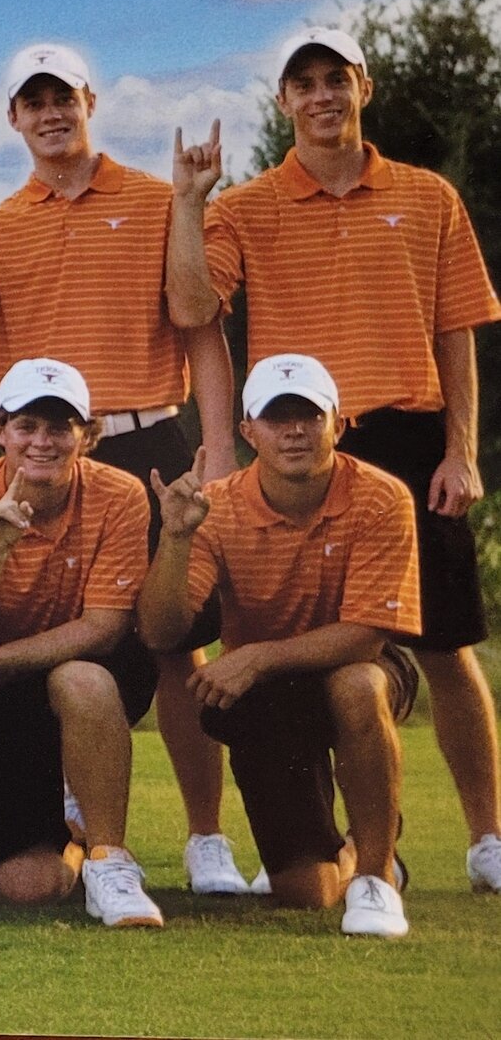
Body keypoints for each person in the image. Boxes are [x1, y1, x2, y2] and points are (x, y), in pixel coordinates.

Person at [169, 26, 501, 893]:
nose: (322, 95)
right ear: (283, 101)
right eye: (303, 83)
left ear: (365, 87)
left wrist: (460, 449)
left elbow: (455, 327)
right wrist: (190, 203)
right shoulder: (244, 207)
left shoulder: (429, 196)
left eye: (336, 79)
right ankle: (335, 842)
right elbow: (196, 305)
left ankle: (488, 839)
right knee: (298, 643)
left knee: (447, 644)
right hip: (297, 437)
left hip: (407, 436)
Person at [0, 42, 250, 896]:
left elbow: (199, 320)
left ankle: (204, 836)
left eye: (62, 96)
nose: (50, 113)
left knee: (177, 640)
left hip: (148, 439)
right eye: (33, 102)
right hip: (42, 444)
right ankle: (41, 811)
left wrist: (215, 448)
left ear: (90, 100)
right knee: (30, 620)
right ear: (14, 119)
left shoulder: (157, 198)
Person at [139, 355, 420, 936]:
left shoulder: (381, 497)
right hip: (264, 696)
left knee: (357, 683)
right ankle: (360, 846)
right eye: (276, 416)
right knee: (305, 893)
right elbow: (163, 631)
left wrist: (257, 656)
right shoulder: (215, 507)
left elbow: (368, 634)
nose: (294, 430)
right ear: (248, 430)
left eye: (309, 415)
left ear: (338, 424)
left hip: (346, 661)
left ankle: (375, 877)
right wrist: (175, 538)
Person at [0, 358, 165, 927]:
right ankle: (75, 834)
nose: (42, 442)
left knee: (81, 676)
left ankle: (110, 861)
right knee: (29, 887)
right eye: (27, 425)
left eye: (60, 427)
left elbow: (105, 626)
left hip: (78, 675)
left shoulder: (121, 495)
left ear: (89, 434)